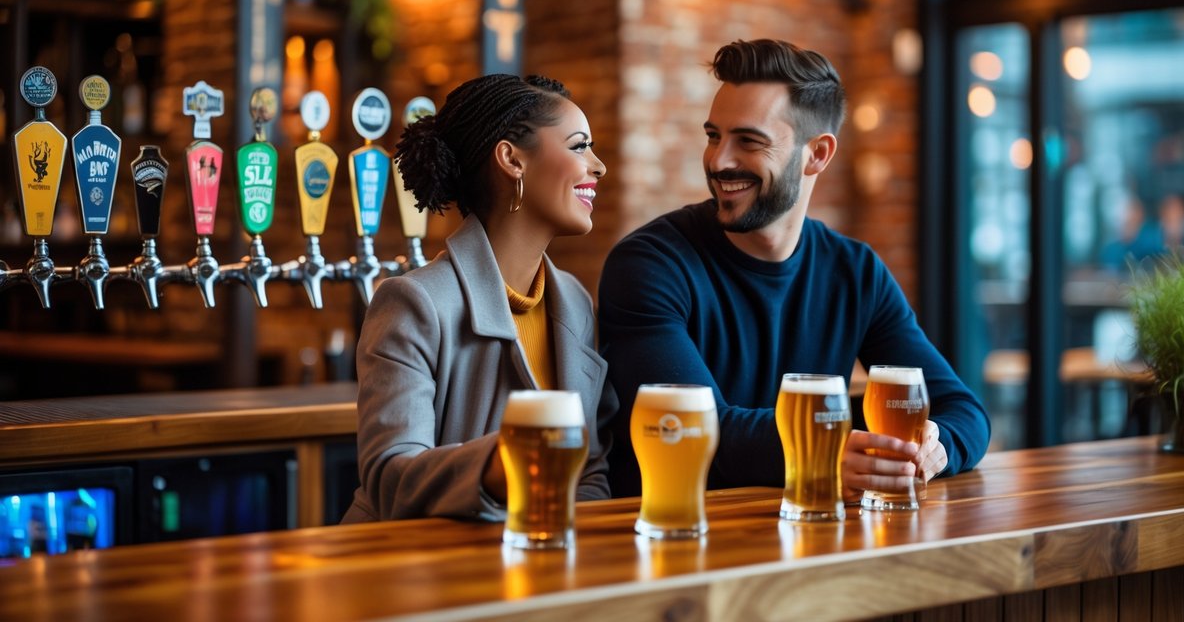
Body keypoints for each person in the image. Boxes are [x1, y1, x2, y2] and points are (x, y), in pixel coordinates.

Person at [599, 40, 990, 501]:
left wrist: (935, 447)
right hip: (673, 540)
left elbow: (964, 410)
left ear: (817, 154)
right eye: (713, 136)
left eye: (748, 141)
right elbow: (692, 426)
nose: (719, 160)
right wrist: (824, 451)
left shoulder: (856, 271)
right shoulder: (649, 263)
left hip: (810, 540)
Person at [343, 73, 614, 522]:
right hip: (407, 573)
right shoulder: (413, 303)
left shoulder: (574, 302)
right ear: (511, 159)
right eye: (579, 145)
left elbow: (590, 473)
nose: (598, 166)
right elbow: (391, 479)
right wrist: (507, 459)